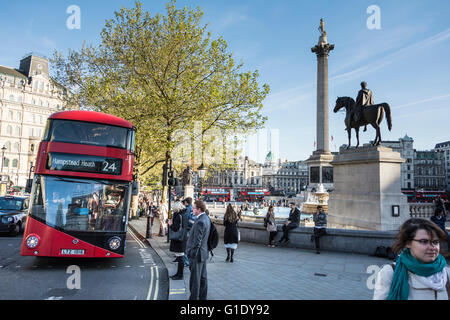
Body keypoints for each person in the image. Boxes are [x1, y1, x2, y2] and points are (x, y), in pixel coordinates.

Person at [373, 218, 450, 300]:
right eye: (424, 241)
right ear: (408, 243)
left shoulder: (447, 273)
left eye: (435, 242)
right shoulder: (390, 272)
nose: (432, 247)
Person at [186, 200, 211, 300]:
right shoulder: (206, 218)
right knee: (202, 277)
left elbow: (197, 242)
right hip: (203, 254)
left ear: (199, 209)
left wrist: (191, 254)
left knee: (195, 279)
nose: (192, 210)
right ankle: (202, 297)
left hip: (197, 255)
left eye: (194, 208)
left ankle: (193, 298)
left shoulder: (200, 221)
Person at [168, 201, 188, 280]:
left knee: (180, 257)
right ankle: (178, 274)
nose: (173, 209)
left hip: (178, 238)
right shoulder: (184, 215)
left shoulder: (178, 215)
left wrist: (170, 224)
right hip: (182, 237)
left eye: (174, 208)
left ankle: (180, 275)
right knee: (180, 256)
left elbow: (175, 228)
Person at [182, 197, 195, 267]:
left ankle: (186, 262)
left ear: (186, 202)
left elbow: (187, 220)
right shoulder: (192, 208)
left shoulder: (187, 209)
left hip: (188, 229)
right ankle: (189, 260)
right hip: (191, 229)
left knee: (186, 246)